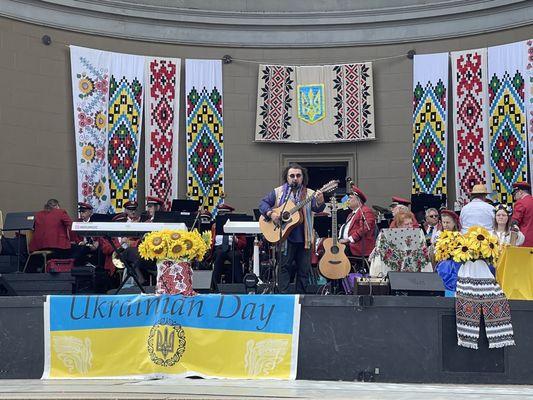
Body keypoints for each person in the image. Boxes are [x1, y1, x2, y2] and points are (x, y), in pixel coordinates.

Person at [259, 163, 325, 294]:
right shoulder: (278, 192)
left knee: (303, 270)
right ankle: (284, 297)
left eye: (298, 175)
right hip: (285, 238)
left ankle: (301, 298)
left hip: (304, 239)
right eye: (292, 175)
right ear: (287, 177)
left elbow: (317, 208)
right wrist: (272, 214)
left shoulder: (310, 194)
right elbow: (263, 203)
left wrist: (321, 201)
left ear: (303, 178)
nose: (295, 178)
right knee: (283, 268)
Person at [338, 184, 376, 273]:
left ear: (358, 200)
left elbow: (366, 227)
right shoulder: (351, 214)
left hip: (356, 246)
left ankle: (341, 277)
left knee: (336, 255)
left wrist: (349, 239)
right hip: (347, 244)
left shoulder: (366, 210)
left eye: (350, 198)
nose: (347, 200)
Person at [210, 203, 247, 289]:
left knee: (235, 256)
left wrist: (237, 240)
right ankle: (215, 286)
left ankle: (239, 285)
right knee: (219, 256)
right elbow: (211, 242)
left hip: (232, 248)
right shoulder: (214, 226)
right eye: (220, 214)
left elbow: (243, 243)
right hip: (219, 249)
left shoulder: (236, 225)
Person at [511, 181, 533, 247]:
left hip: (525, 239)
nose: (514, 197)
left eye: (515, 194)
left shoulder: (520, 203)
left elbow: (514, 222)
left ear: (520, 192)